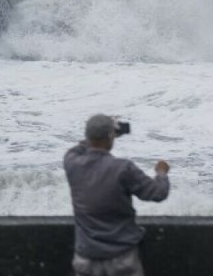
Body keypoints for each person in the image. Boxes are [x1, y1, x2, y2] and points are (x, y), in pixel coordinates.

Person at [63, 114, 170, 276]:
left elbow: (78, 148)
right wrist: (161, 173)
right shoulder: (123, 169)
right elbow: (158, 193)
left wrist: (102, 133)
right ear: (111, 136)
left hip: (85, 258)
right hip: (121, 258)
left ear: (87, 136)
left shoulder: (72, 163)